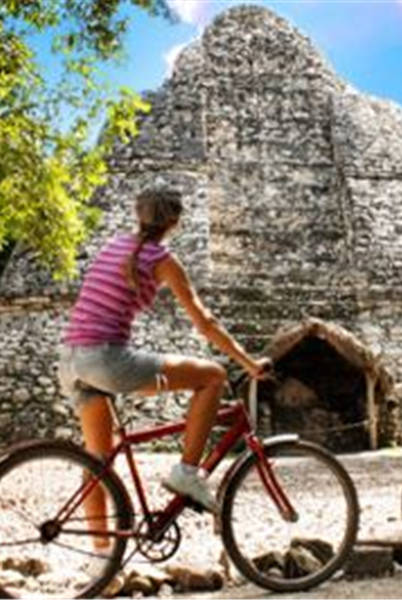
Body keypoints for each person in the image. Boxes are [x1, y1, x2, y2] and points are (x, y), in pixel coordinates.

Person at [58, 188, 270, 543]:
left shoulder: (114, 245)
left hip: (71, 361)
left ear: (138, 215)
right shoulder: (163, 260)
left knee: (97, 461)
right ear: (175, 221)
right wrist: (248, 363)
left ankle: (101, 561)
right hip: (107, 361)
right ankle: (188, 472)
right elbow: (205, 321)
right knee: (213, 377)